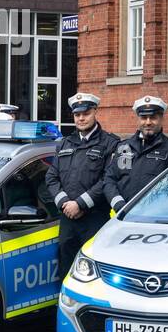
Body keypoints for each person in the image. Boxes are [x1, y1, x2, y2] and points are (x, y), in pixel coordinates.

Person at [47, 93, 119, 270]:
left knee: (93, 271)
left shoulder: (110, 143)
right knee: (66, 269)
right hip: (68, 220)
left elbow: (107, 180)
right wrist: (65, 204)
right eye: (77, 115)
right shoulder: (65, 143)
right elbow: (51, 177)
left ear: (95, 112)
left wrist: (80, 204)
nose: (81, 118)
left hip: (94, 219)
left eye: (85, 113)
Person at [104, 96, 168, 212]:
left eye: (153, 117)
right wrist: (118, 205)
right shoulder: (124, 147)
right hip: (122, 215)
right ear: (138, 119)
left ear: (161, 119)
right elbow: (110, 179)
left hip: (153, 216)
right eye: (143, 117)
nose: (148, 122)